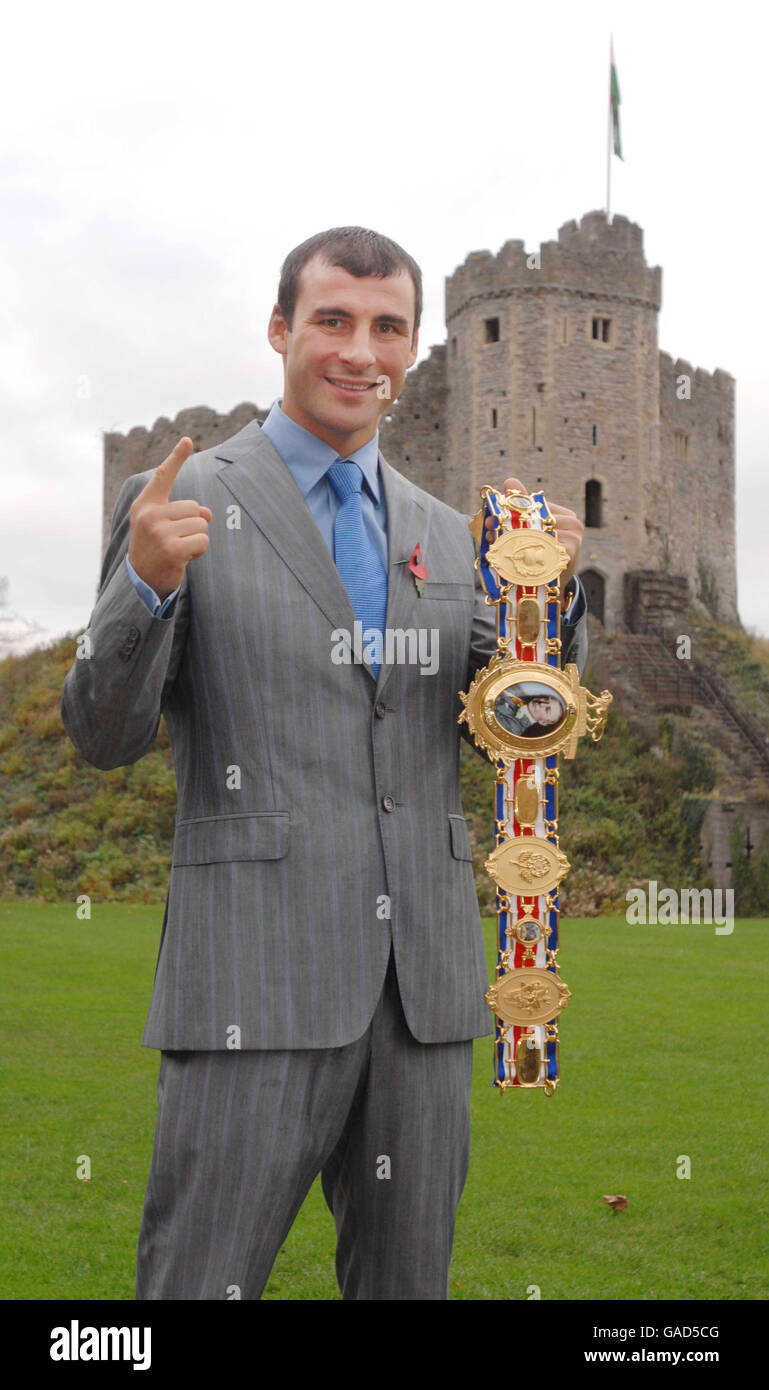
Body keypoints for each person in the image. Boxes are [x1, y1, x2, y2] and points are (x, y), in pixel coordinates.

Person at [60, 226, 588, 1301]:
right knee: (196, 1286)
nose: (361, 352)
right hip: (253, 983)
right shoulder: (180, 498)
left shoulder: (453, 534)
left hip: (424, 1000)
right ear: (279, 330)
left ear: (410, 346)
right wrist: (146, 587)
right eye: (332, 321)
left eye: (387, 327)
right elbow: (102, 733)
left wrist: (546, 610)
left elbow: (519, 720)